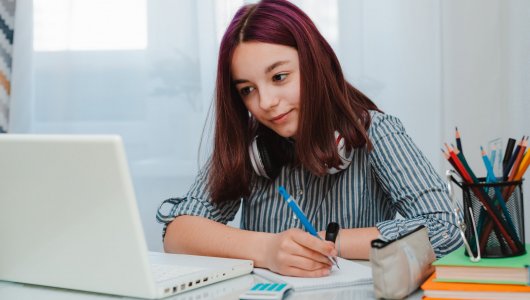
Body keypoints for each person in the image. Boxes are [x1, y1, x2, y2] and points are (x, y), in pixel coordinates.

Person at [157, 0, 461, 278]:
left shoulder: (377, 132)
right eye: (247, 89)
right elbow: (179, 232)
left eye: (279, 77)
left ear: (316, 63)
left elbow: (446, 229)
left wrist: (326, 243)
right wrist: (268, 249)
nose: (265, 102)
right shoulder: (249, 144)